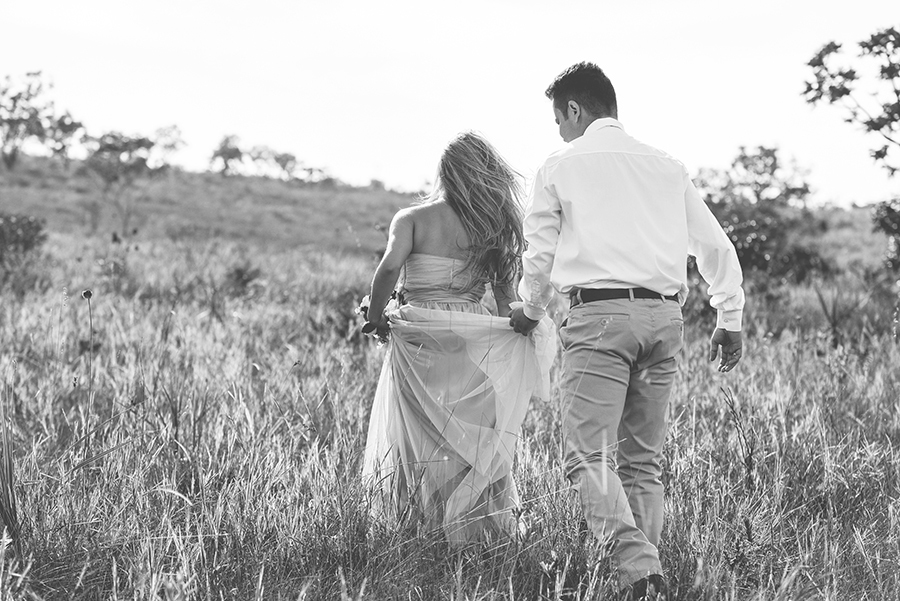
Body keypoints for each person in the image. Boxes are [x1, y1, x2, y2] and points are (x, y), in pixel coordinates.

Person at [509, 62, 745, 599]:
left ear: (574, 109)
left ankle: (640, 570)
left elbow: (539, 254)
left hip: (598, 321)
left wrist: (529, 308)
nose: (559, 130)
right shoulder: (666, 165)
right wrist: (729, 317)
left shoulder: (559, 165)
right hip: (665, 319)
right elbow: (716, 247)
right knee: (642, 463)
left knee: (586, 456)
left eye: (558, 118)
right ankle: (646, 578)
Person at [361, 132, 555, 546]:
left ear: (445, 172)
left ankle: (416, 529)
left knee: (415, 434)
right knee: (469, 434)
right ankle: (473, 529)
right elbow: (506, 300)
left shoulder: (412, 218)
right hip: (471, 336)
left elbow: (389, 268)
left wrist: (376, 317)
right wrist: (513, 337)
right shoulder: (493, 227)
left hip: (419, 337)